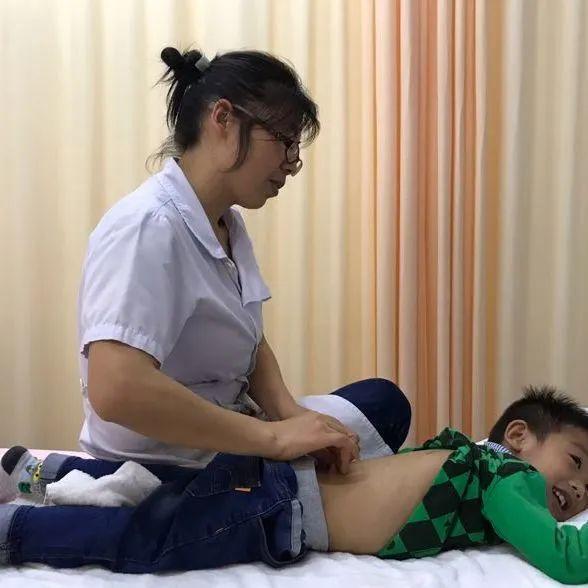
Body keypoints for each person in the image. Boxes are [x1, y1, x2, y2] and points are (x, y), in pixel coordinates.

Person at [74, 44, 405, 474]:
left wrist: (291, 416)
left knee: (384, 401)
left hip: (233, 435)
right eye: (284, 141)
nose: (291, 164)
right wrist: (274, 439)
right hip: (167, 465)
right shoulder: (148, 225)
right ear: (223, 119)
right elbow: (116, 388)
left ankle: (300, 478)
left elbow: (250, 341)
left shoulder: (226, 223)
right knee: (355, 463)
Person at [1, 386, 588, 584]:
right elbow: (565, 558)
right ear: (518, 436)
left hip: (278, 476)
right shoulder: (508, 479)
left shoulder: (461, 458)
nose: (580, 489)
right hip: (280, 511)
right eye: (578, 462)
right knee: (148, 538)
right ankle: (15, 530)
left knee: (163, 487)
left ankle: (36, 471)